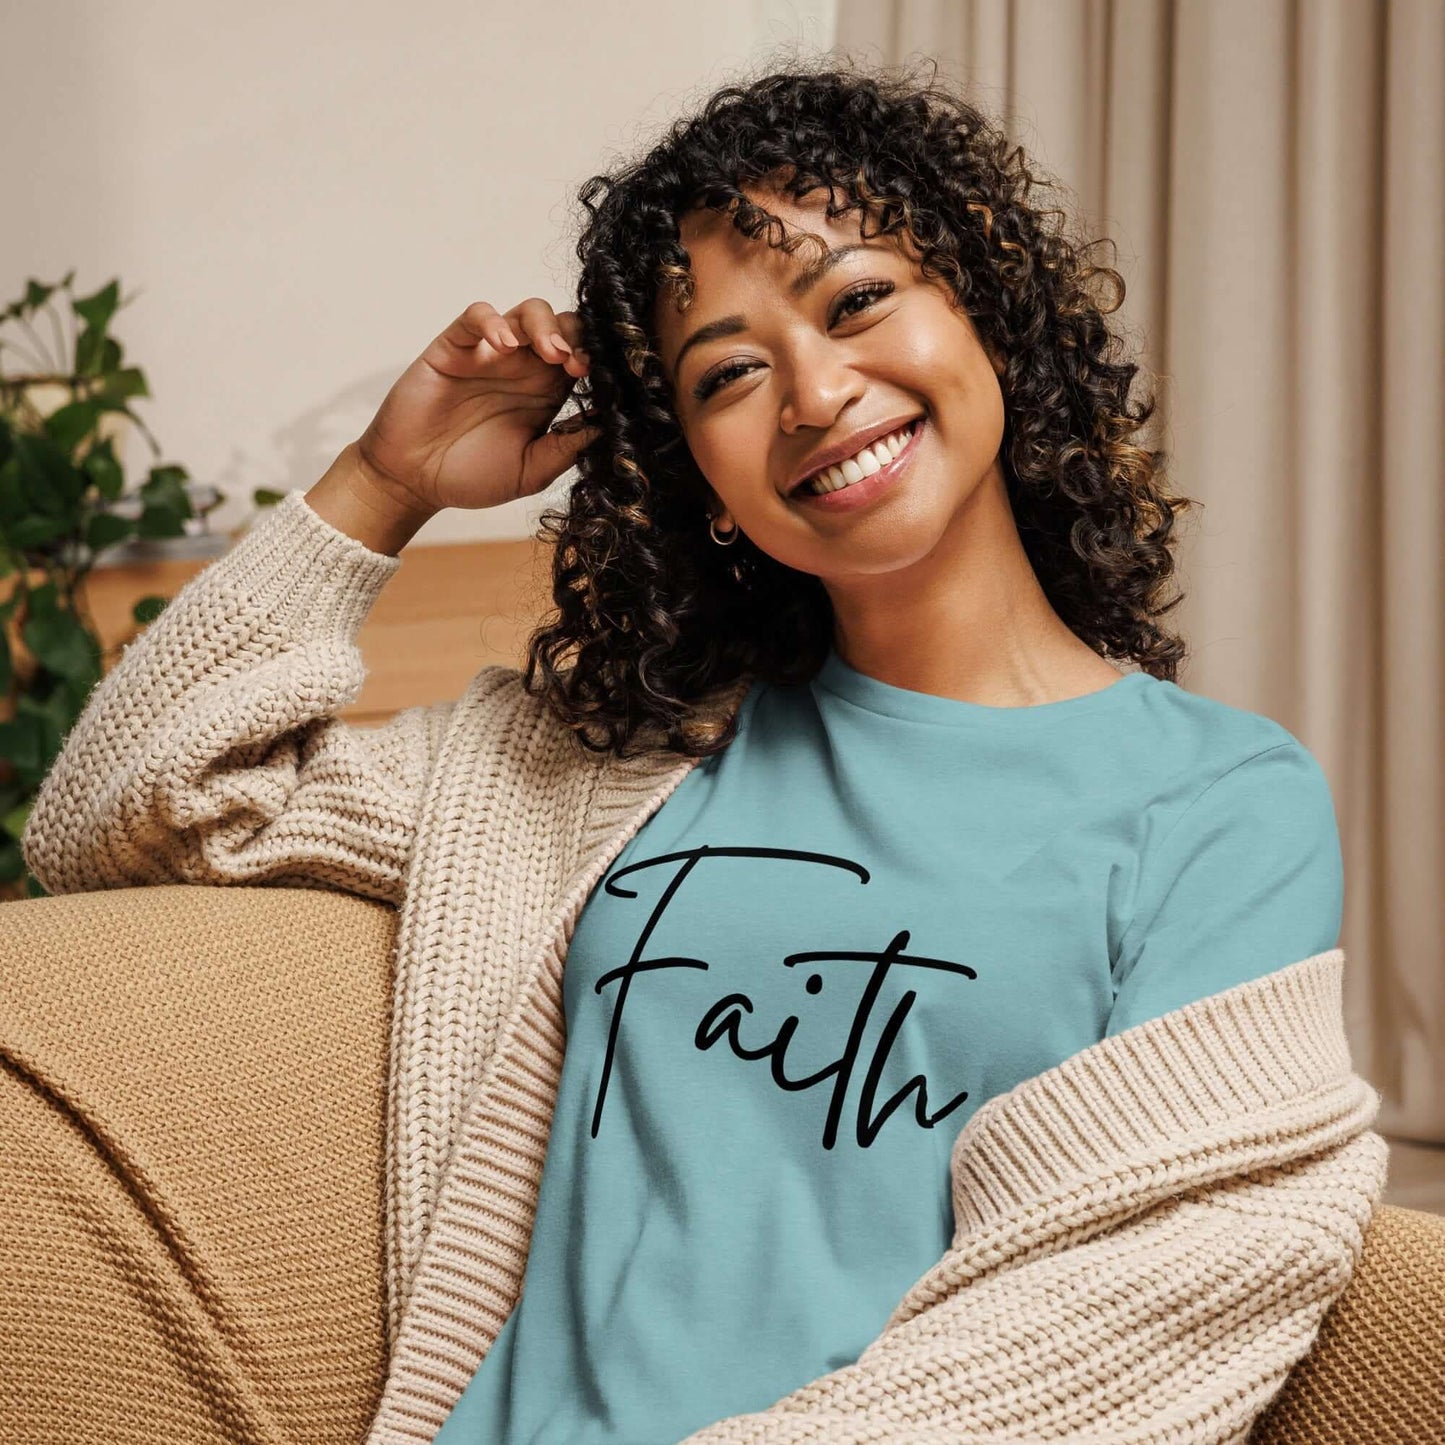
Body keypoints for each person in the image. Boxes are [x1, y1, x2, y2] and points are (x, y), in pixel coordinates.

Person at [18, 58, 1386, 1445]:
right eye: (728, 371)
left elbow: (1138, 1301)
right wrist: (381, 484)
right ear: (702, 480)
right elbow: (126, 813)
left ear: (986, 314)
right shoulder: (609, 766)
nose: (811, 391)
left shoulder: (1216, 801)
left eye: (857, 301)